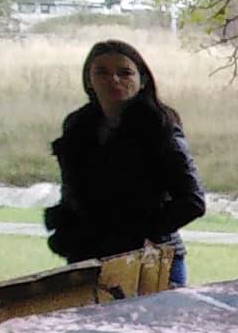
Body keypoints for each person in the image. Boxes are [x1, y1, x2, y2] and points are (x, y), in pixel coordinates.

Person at [45, 38, 205, 283]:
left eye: (125, 73)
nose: (114, 80)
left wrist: (136, 233)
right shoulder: (77, 127)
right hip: (89, 258)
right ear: (89, 79)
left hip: (152, 260)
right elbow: (72, 191)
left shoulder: (160, 126)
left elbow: (192, 201)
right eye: (102, 72)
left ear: (142, 80)